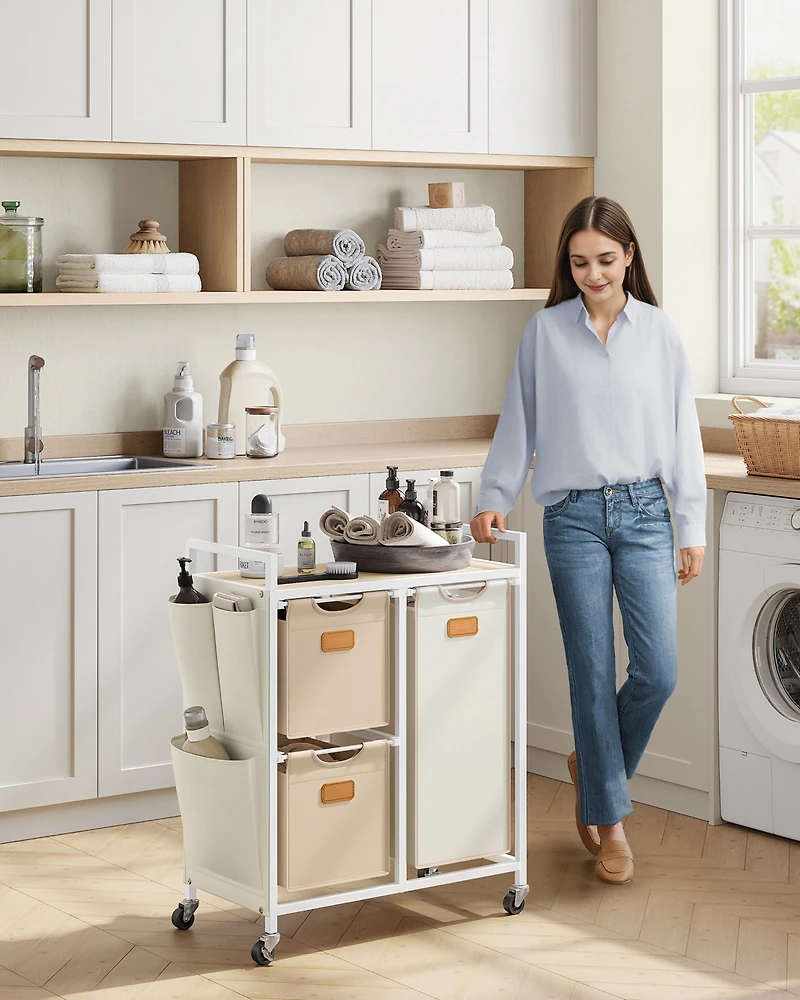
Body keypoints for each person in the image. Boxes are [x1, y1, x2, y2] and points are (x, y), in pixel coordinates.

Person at [469, 195, 706, 886]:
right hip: (570, 516)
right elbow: (520, 423)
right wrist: (493, 497)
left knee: (659, 672)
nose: (593, 274)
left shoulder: (660, 335)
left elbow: (682, 438)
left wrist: (689, 525)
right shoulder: (544, 334)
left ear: (629, 256)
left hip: (644, 515)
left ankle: (592, 769)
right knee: (592, 674)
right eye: (579, 263)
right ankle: (610, 826)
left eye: (606, 259)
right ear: (566, 265)